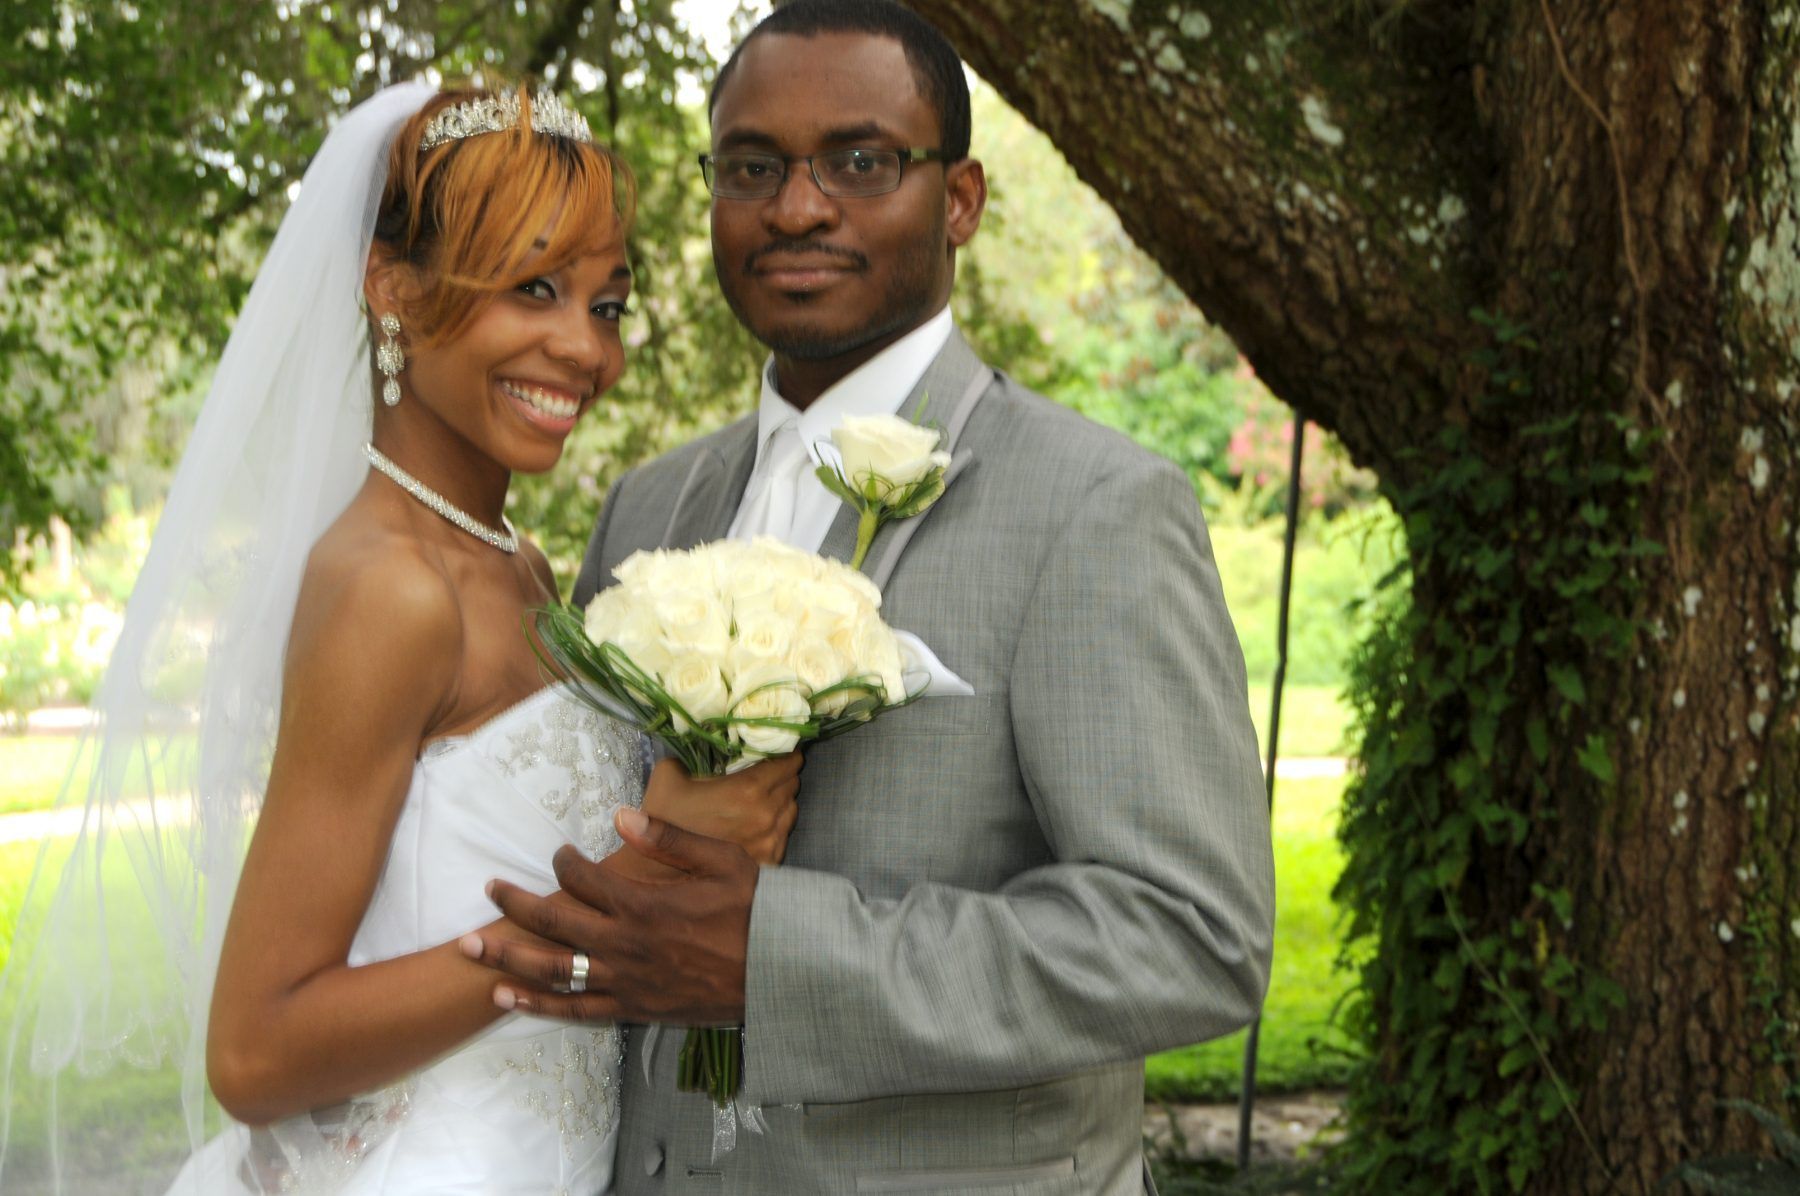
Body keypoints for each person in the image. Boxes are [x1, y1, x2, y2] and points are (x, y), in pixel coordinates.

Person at [466, 2, 1277, 1192]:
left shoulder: (1095, 505)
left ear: (960, 200)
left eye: (862, 160)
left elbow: (1191, 934)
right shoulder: (649, 509)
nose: (797, 206)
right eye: (752, 166)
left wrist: (773, 958)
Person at [0, 83, 800, 1194]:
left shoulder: (513, 561)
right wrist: (625, 893)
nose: (584, 349)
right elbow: (256, 1048)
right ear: (392, 287)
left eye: (605, 305)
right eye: (533, 289)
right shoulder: (392, 588)